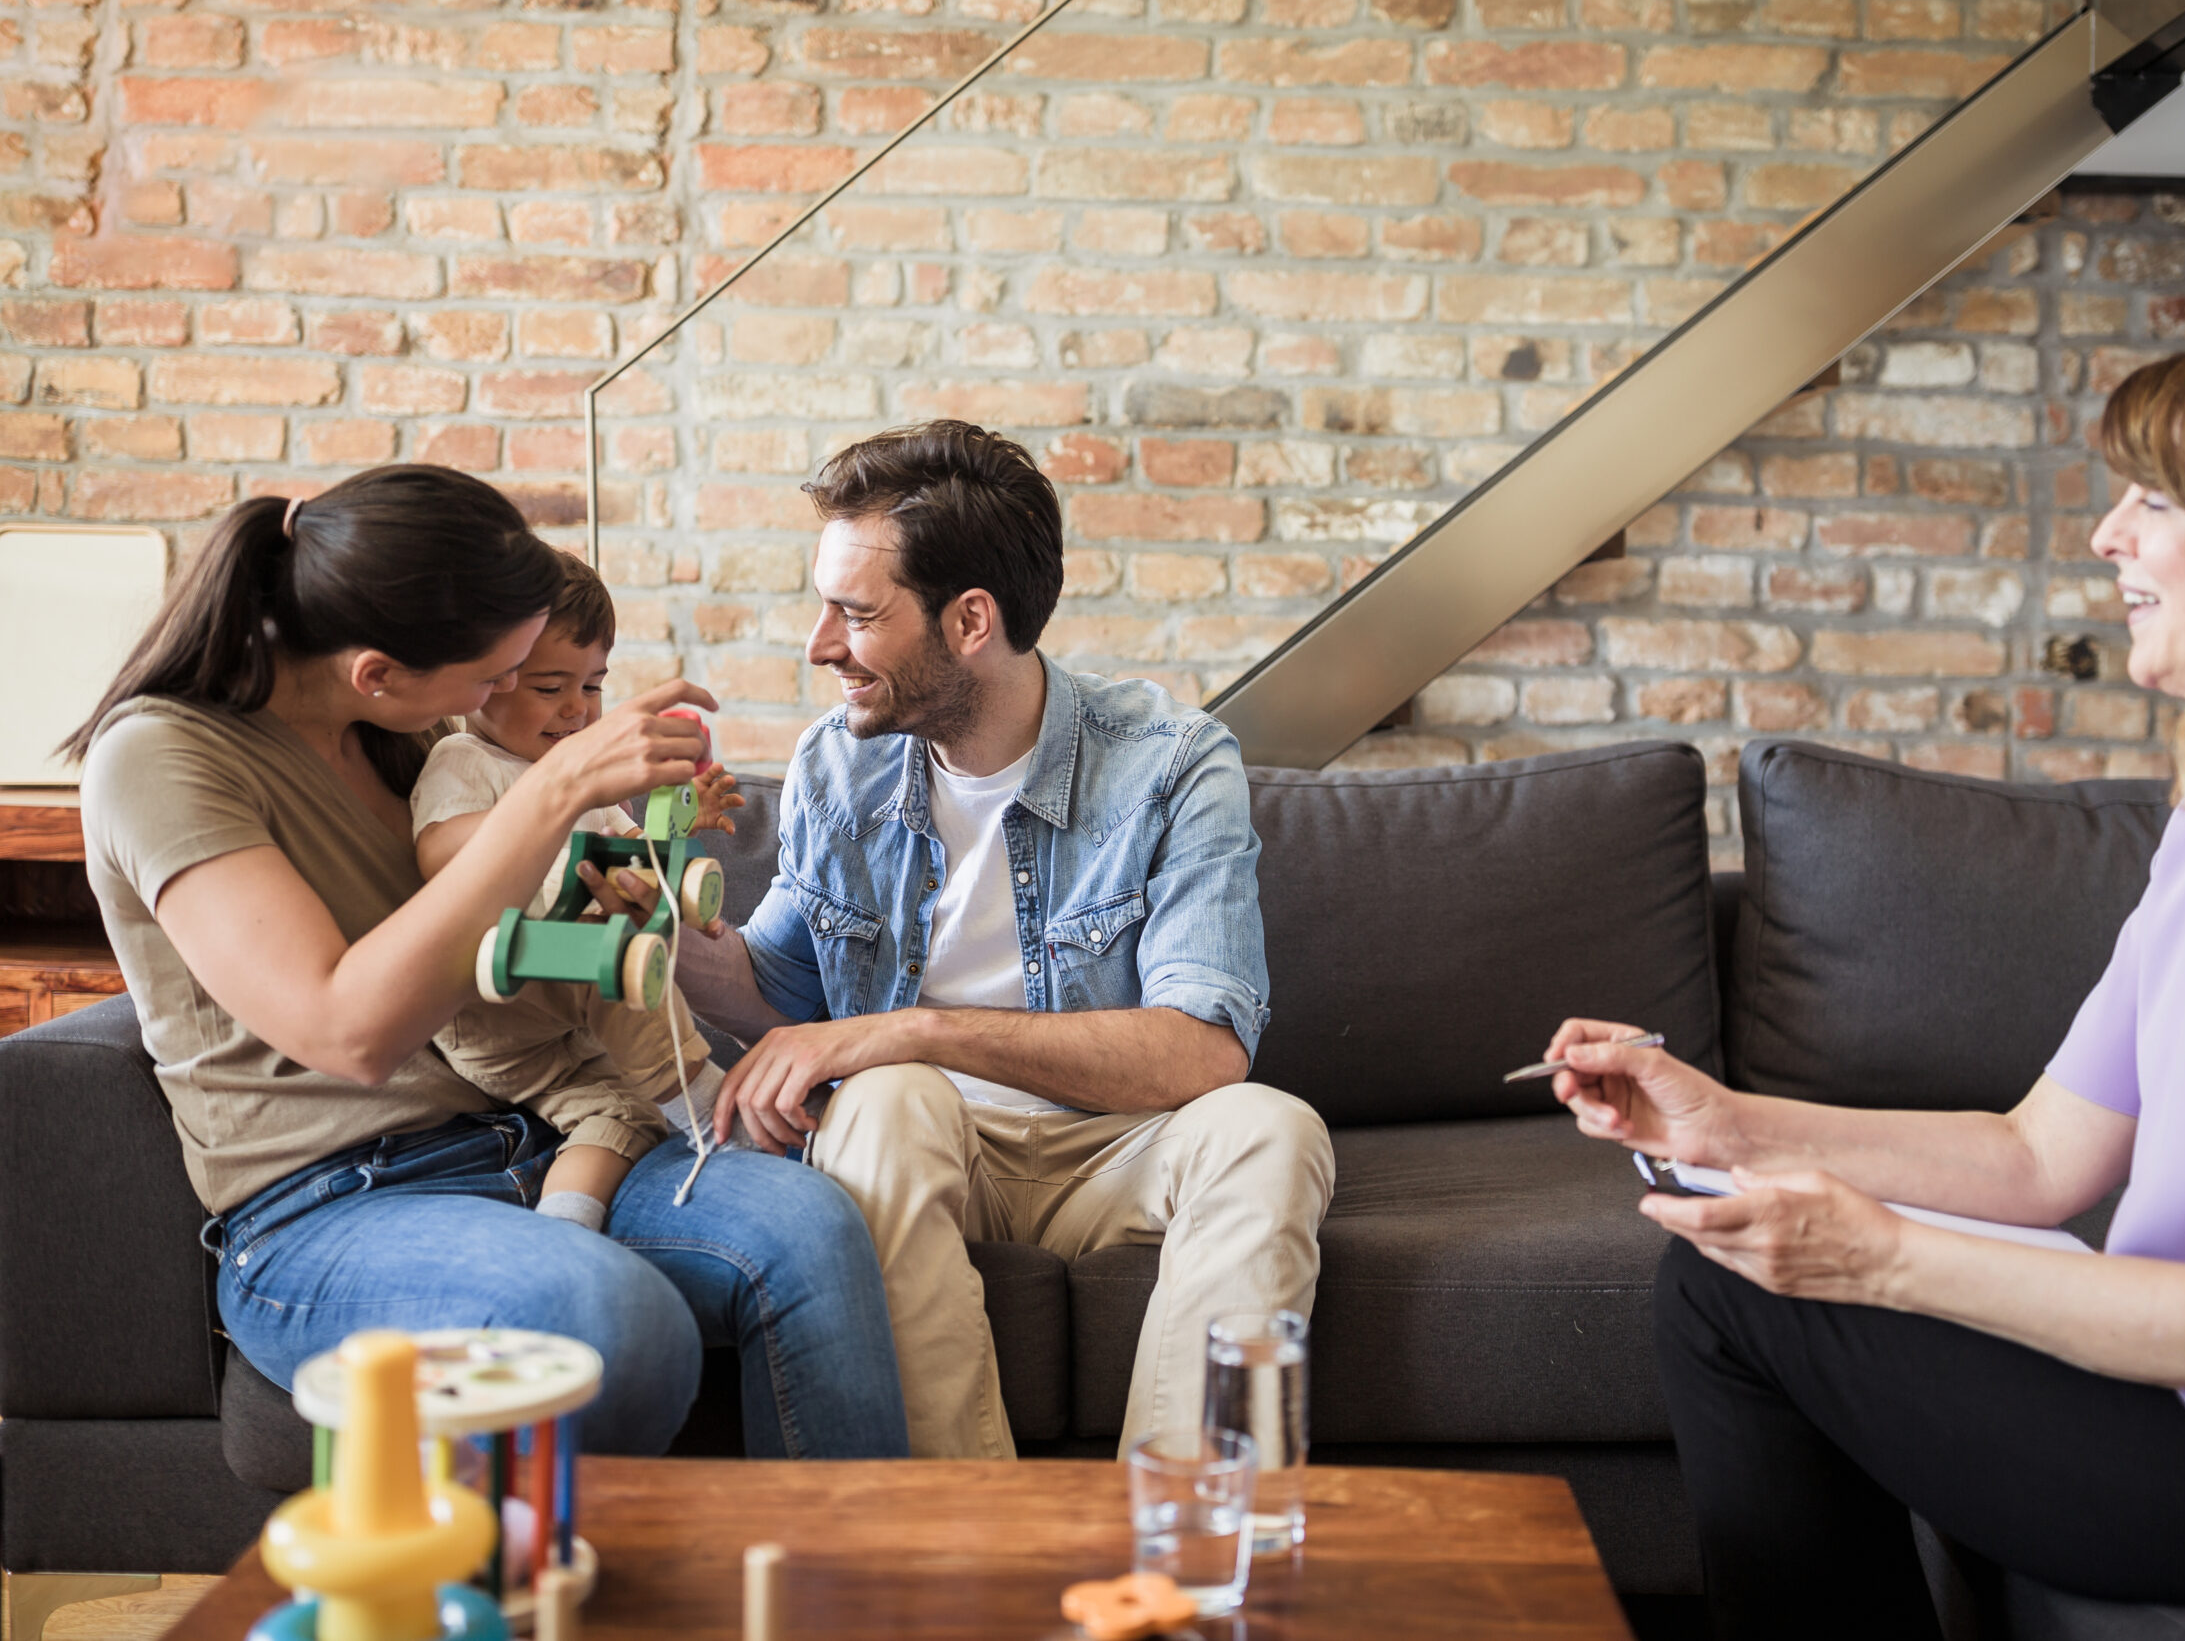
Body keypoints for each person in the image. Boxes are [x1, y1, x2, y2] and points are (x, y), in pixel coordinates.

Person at [1544, 320, 2185, 1641]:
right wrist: (1723, 1122)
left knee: (1739, 1293)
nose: (2106, 537)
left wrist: (1887, 1255)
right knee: (1730, 1276)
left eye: (2153, 498)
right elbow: (2039, 1153)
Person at [68, 465, 905, 1458]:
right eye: (492, 680)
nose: (503, 701)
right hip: (332, 1206)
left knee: (811, 1230)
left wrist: (621, 877)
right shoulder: (164, 759)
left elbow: (524, 916)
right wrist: (555, 792)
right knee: (610, 1319)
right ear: (376, 670)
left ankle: (838, 1592)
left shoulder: (392, 735)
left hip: (534, 1132)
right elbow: (351, 1032)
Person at [670, 419, 1333, 1459]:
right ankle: (968, 1550)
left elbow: (1204, 1050)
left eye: (854, 612)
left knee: (1270, 1128)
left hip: (1111, 1148)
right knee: (883, 1099)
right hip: (928, 1148)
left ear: (970, 619)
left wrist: (911, 1030)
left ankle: (1184, 1545)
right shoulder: (838, 764)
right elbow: (780, 992)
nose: (819, 645)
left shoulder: (1168, 764)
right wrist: (657, 925)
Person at [411, 549, 747, 1232]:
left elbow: (633, 858)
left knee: (622, 1115)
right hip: (498, 991)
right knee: (611, 940)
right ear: (488, 681)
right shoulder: (465, 759)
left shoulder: (586, 776)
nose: (576, 708)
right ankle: (705, 1105)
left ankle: (564, 1231)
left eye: (593, 686)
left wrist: (676, 845)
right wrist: (554, 799)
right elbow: (435, 851)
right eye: (549, 686)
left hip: (562, 1030)